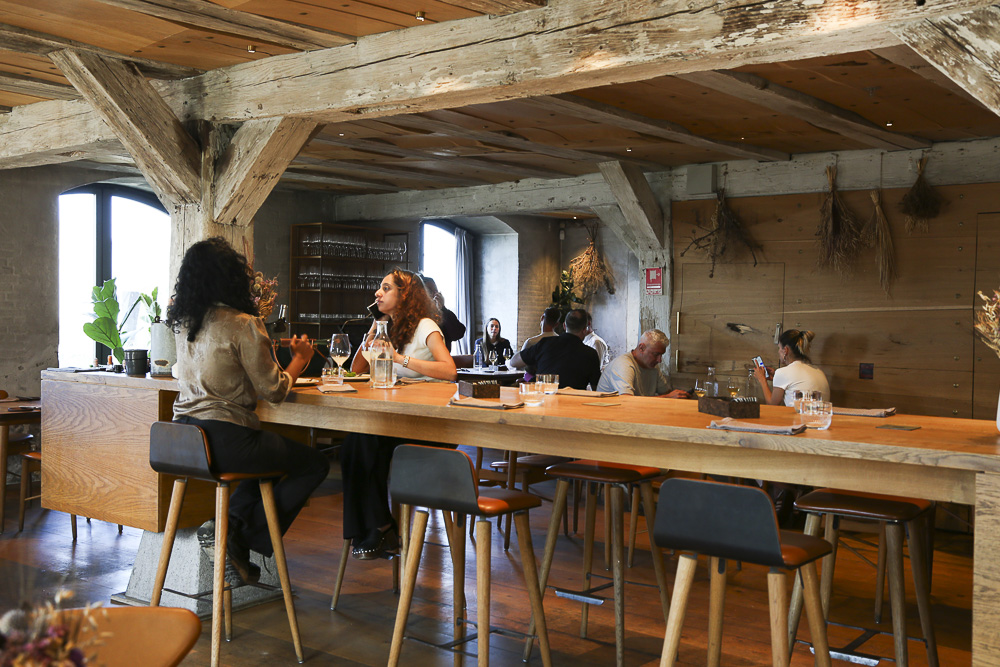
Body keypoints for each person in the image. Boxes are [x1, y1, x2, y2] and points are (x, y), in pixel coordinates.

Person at [167, 237, 330, 585]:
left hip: (182, 438)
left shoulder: (184, 323)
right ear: (232, 276)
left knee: (266, 463)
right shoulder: (243, 323)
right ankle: (238, 537)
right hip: (226, 441)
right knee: (315, 463)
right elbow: (274, 391)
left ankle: (230, 532)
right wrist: (300, 359)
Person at [343, 268, 457, 559]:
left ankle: (377, 528)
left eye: (386, 288)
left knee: (365, 440)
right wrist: (374, 327)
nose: (377, 293)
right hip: (397, 420)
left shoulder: (425, 326)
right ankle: (377, 527)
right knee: (356, 438)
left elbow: (449, 371)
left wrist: (399, 358)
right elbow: (356, 369)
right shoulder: (388, 328)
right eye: (379, 288)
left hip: (428, 424)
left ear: (405, 295)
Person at [510, 308, 600, 390]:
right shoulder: (591, 354)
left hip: (542, 398)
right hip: (573, 401)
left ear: (564, 326)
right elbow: (596, 388)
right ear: (584, 330)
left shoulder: (545, 343)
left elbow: (513, 362)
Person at [597, 329, 690, 398]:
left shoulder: (652, 366)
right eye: (656, 354)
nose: (659, 360)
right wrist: (668, 397)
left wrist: (678, 395)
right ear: (641, 348)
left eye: (661, 355)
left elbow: (666, 392)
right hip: (612, 416)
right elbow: (627, 401)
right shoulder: (624, 365)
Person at [754, 329, 830, 406]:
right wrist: (776, 378)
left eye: (779, 348)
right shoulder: (819, 371)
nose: (778, 352)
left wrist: (762, 380)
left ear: (785, 350)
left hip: (798, 414)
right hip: (821, 413)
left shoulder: (782, 372)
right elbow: (798, 383)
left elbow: (772, 405)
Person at [421, 275, 466, 350]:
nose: (434, 295)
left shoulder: (443, 313)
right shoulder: (416, 315)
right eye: (430, 291)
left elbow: (458, 334)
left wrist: (443, 309)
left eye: (436, 291)